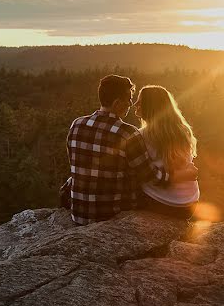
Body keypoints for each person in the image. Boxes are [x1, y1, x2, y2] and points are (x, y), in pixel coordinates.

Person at [64, 75, 196, 224]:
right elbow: (151, 177)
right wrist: (181, 175)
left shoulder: (76, 125)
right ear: (117, 103)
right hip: (110, 216)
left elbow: (76, 165)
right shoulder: (127, 133)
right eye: (129, 99)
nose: (131, 104)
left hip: (79, 214)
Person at [132, 85, 200, 219]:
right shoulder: (183, 130)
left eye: (140, 101)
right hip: (189, 205)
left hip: (161, 204)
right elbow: (188, 169)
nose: (135, 104)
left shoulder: (140, 136)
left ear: (150, 106)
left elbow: (148, 177)